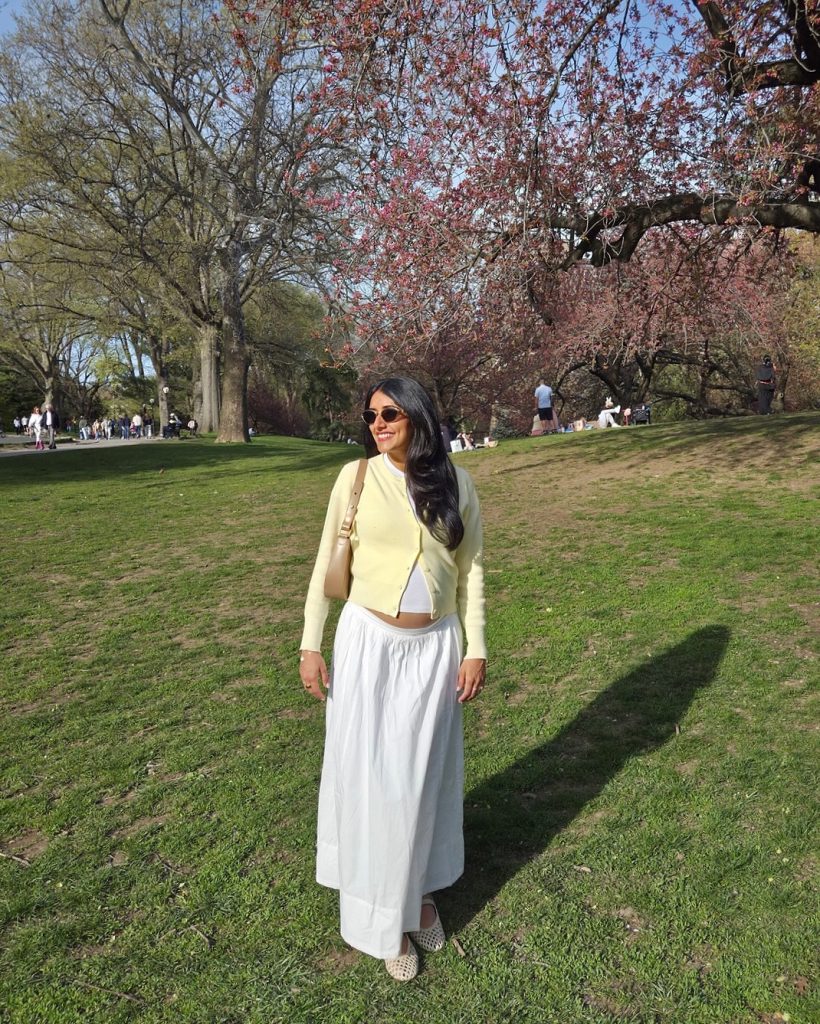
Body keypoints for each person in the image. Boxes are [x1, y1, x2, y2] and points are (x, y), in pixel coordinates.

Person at [299, 377, 487, 982]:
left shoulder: (456, 483)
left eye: (389, 413)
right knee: (372, 778)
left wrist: (475, 649)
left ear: (418, 417)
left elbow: (472, 572)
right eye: (370, 415)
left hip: (435, 646)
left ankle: (421, 891)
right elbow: (323, 562)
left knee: (423, 776)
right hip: (367, 645)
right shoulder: (355, 478)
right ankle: (380, 919)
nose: (377, 423)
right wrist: (310, 643)